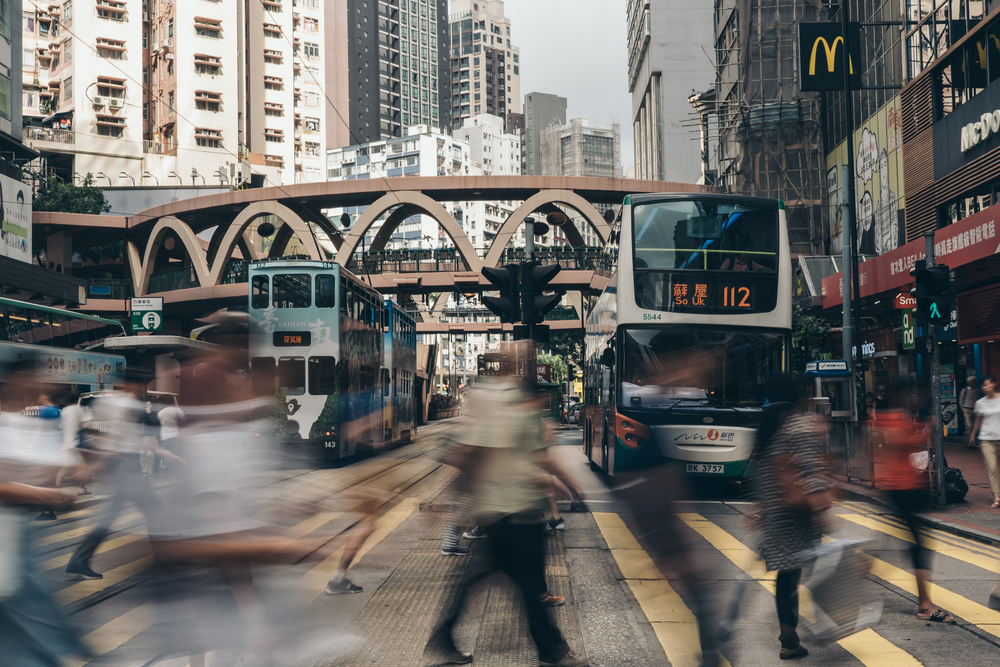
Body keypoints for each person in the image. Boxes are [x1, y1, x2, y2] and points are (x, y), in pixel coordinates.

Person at [422, 369, 585, 667]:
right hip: (513, 512)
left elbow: (515, 457)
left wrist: (561, 479)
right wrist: (564, 480)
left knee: (503, 576)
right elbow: (483, 456)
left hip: (504, 512)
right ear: (535, 397)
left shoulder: (506, 417)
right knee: (529, 581)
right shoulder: (511, 417)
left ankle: (446, 639)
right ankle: (551, 651)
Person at [65, 370, 186, 580]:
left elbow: (126, 438)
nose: (141, 390)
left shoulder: (115, 403)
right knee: (154, 511)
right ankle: (166, 561)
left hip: (123, 466)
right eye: (139, 385)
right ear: (130, 384)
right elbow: (121, 438)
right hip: (126, 466)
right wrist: (100, 465)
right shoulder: (126, 404)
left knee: (110, 517)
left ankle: (79, 561)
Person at [755, 374, 833, 660]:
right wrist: (822, 507)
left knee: (786, 577)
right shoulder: (798, 423)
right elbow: (810, 470)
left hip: (776, 515)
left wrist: (761, 510)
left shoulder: (765, 425)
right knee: (819, 569)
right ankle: (819, 626)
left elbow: (761, 473)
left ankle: (789, 636)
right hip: (799, 513)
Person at [879, 378, 955, 623]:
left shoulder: (898, 416)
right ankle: (925, 605)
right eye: (913, 394)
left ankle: (859, 572)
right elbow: (899, 444)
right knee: (918, 546)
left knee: (910, 545)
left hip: (905, 488)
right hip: (900, 489)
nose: (917, 397)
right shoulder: (894, 418)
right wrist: (925, 431)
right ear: (902, 396)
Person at [970, 375, 1000, 509]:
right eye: (982, 386)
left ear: (994, 384)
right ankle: (997, 497)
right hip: (987, 439)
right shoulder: (980, 403)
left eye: (986, 385)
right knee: (992, 468)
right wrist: (973, 436)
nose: (984, 388)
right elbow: (978, 420)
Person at [960, 377, 980, 444]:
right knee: (969, 425)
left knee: (974, 426)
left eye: (975, 382)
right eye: (973, 382)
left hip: (974, 410)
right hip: (966, 409)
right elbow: (961, 400)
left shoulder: (977, 391)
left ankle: (969, 439)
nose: (975, 383)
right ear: (970, 383)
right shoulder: (965, 390)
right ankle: (970, 442)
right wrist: (963, 409)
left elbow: (977, 401)